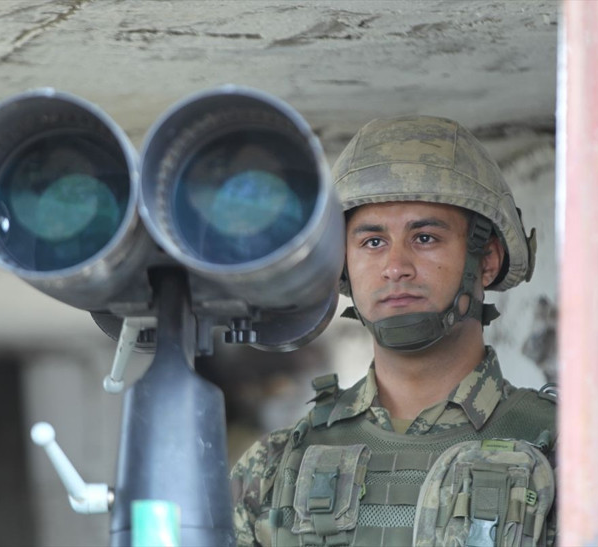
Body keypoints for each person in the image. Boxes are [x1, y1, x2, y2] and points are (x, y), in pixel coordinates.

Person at [230, 116, 556, 547]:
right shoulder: (275, 467)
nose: (395, 267)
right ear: (341, 265)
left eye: (424, 238)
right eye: (372, 242)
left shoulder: (562, 448)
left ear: (487, 260)